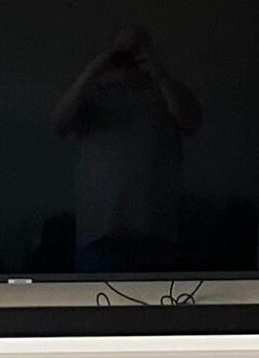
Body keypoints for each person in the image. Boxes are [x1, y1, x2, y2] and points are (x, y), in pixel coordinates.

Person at [50, 24, 201, 274]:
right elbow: (58, 123)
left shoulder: (167, 91)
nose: (129, 58)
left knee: (158, 311)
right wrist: (93, 71)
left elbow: (192, 122)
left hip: (156, 231)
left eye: (137, 50)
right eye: (122, 51)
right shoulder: (94, 93)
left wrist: (161, 76)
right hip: (99, 230)